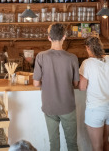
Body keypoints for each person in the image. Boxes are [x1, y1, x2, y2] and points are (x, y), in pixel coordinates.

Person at [33, 23, 79, 151]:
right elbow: (76, 83)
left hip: (49, 106)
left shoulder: (41, 56)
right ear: (64, 37)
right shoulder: (72, 58)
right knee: (72, 144)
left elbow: (36, 83)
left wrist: (47, 81)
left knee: (53, 143)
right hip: (67, 106)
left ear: (49, 37)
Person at [79, 35, 109, 151]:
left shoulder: (87, 63)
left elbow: (82, 87)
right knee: (105, 141)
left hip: (96, 110)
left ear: (87, 48)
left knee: (97, 147)